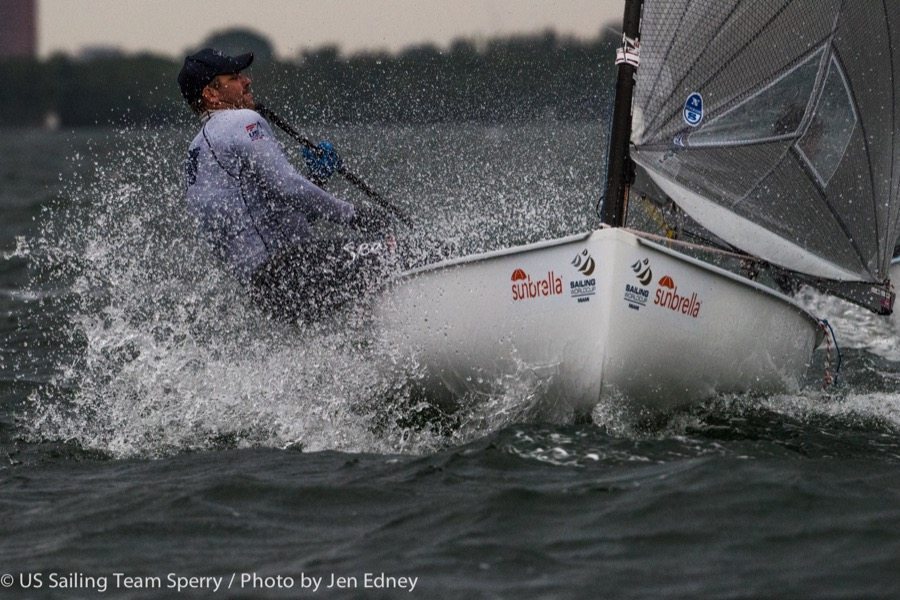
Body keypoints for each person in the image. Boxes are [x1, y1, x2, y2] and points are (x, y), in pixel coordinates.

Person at [177, 48, 391, 322]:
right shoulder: (240, 121)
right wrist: (354, 215)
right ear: (211, 94)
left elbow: (263, 220)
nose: (247, 82)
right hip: (291, 267)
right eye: (234, 77)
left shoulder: (197, 150)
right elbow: (287, 187)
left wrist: (316, 181)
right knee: (402, 250)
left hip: (267, 291)